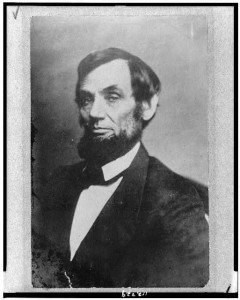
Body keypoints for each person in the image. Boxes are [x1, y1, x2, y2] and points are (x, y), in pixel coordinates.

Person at [34, 48, 209, 288]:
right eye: (86, 99)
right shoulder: (56, 184)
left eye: (112, 97)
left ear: (146, 105)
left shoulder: (177, 204)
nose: (94, 113)